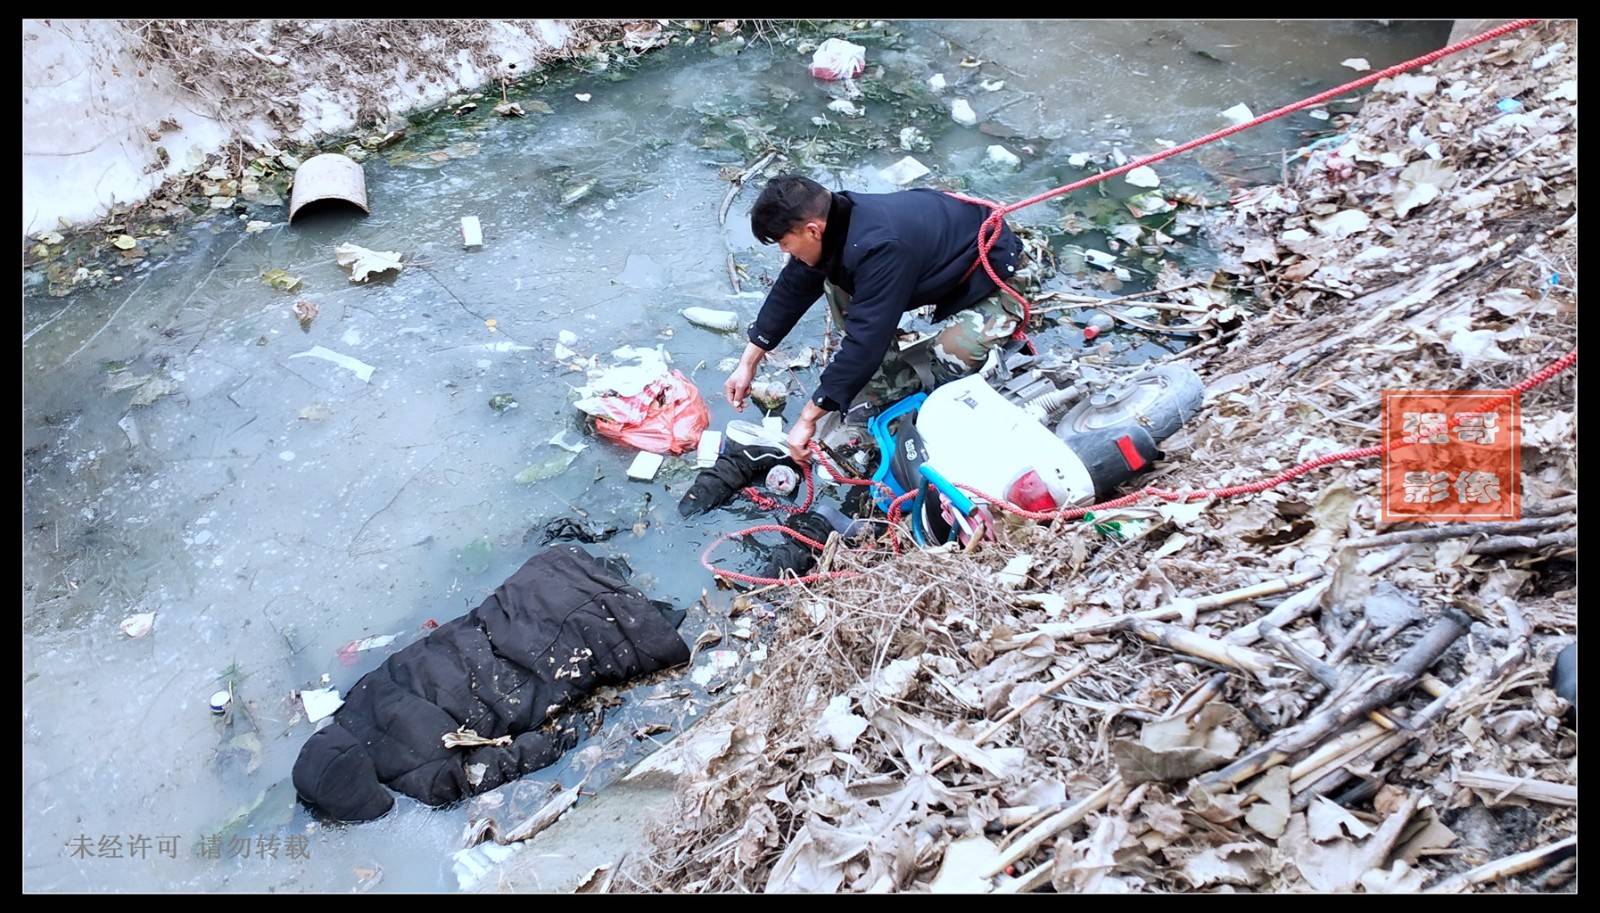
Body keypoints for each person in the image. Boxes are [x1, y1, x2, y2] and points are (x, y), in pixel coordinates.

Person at [723, 175, 1028, 461]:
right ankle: (895, 387)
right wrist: (748, 362)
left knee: (951, 353)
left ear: (812, 230)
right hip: (939, 265)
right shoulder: (835, 222)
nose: (783, 249)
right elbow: (792, 288)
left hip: (994, 275)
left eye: (784, 241)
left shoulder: (879, 246)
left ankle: (937, 404)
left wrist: (807, 418)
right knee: (834, 281)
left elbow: (865, 341)